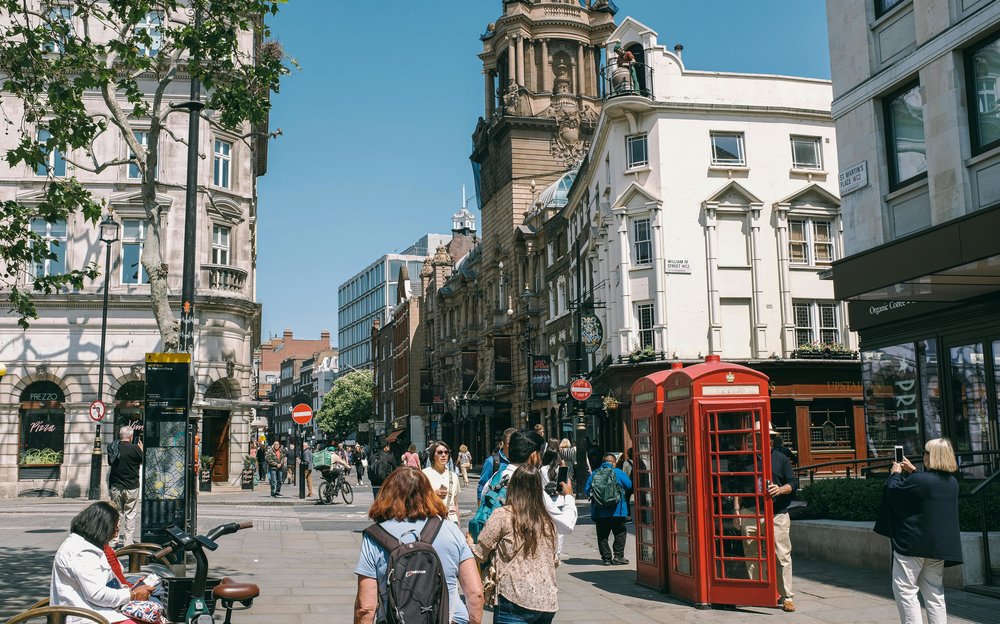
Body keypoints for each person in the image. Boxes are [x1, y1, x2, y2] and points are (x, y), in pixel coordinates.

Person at [354, 467, 484, 624]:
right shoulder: (451, 530)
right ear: (429, 494)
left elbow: (365, 608)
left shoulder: (375, 536)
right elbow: (476, 594)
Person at [874, 438, 962, 624]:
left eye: (925, 453)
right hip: (938, 547)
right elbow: (927, 488)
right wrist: (913, 471)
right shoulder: (952, 482)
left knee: (905, 590)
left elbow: (894, 492)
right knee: (934, 593)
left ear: (932, 456)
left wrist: (895, 474)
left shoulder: (920, 480)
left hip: (912, 545)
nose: (923, 456)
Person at [468, 464, 560, 623]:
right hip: (547, 600)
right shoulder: (547, 521)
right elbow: (554, 561)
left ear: (512, 487)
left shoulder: (503, 515)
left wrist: (469, 543)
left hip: (514, 597)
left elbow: (480, 553)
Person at [51, 501, 157, 623]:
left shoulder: (87, 544)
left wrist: (130, 589)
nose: (116, 531)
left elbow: (103, 583)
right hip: (88, 616)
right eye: (114, 527)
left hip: (96, 610)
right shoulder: (81, 551)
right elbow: (96, 594)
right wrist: (132, 594)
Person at [736, 421, 798, 612]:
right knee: (752, 555)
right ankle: (757, 593)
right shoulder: (745, 460)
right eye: (758, 436)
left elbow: (793, 483)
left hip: (776, 513)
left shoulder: (781, 458)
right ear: (753, 439)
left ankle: (786, 596)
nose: (764, 439)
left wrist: (780, 489)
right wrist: (737, 510)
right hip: (750, 512)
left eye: (768, 437)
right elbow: (738, 487)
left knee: (781, 555)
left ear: (771, 439)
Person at [584, 453, 632, 566]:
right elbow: (629, 485)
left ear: (603, 462)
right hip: (617, 510)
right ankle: (618, 556)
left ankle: (606, 558)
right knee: (620, 533)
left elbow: (586, 490)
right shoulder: (618, 472)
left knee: (602, 536)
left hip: (600, 511)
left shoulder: (594, 473)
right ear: (613, 463)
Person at [108, 425, 142, 547]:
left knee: (116, 513)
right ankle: (128, 542)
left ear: (120, 436)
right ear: (131, 436)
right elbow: (144, 460)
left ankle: (113, 540)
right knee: (130, 515)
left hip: (116, 486)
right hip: (131, 486)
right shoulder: (135, 449)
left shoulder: (113, 447)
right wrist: (141, 449)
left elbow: (110, 463)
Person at [424, 441, 461, 524]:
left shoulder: (453, 476)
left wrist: (458, 524)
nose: (443, 455)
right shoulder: (424, 474)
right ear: (433, 455)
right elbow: (418, 500)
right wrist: (433, 494)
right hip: (432, 520)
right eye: (440, 452)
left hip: (451, 520)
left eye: (446, 452)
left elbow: (455, 503)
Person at [478, 428, 515, 502]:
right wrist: (480, 508)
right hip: (497, 505)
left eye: (515, 443)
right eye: (509, 443)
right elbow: (482, 487)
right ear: (503, 443)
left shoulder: (522, 461)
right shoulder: (492, 461)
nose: (512, 446)